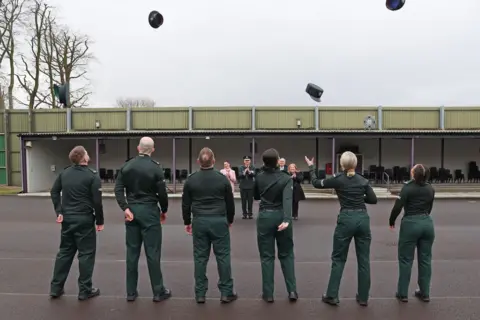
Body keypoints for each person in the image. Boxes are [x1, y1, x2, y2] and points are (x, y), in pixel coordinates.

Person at [305, 151, 377, 307]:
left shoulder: (338, 180)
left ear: (342, 164)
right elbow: (373, 199)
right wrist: (359, 196)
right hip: (362, 218)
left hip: (346, 218)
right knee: (363, 259)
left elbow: (317, 183)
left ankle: (332, 294)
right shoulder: (363, 180)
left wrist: (311, 167)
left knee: (338, 258)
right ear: (356, 164)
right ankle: (363, 297)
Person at [114, 137, 171, 303]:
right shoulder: (156, 168)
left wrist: (125, 208)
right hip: (150, 211)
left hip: (132, 211)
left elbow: (118, 190)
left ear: (138, 148)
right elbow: (162, 193)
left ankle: (131, 292)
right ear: (152, 149)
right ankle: (158, 291)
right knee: (152, 252)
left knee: (132, 253)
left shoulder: (126, 166)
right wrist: (164, 210)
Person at [182, 148, 238, 304]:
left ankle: (200, 293)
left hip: (199, 220)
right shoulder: (222, 179)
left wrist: (187, 222)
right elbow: (230, 203)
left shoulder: (191, 180)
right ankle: (226, 292)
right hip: (219, 220)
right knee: (223, 256)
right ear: (214, 161)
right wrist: (230, 219)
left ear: (198, 162)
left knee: (200, 258)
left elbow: (186, 204)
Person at [49, 146, 104, 301]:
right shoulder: (92, 176)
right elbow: (97, 202)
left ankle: (56, 288)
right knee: (86, 254)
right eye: (86, 153)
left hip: (67, 219)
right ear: (84, 158)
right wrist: (100, 221)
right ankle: (85, 289)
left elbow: (54, 192)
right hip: (84, 220)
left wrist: (59, 211)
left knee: (65, 253)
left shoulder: (64, 173)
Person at [254, 148, 298, 303]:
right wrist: (287, 219)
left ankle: (268, 293)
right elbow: (287, 200)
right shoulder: (286, 178)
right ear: (278, 161)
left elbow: (255, 196)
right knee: (286, 254)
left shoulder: (259, 177)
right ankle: (292, 290)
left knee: (267, 256)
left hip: (265, 216)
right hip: (281, 214)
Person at [389, 164, 435, 303]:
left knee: (405, 260)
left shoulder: (408, 188)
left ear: (414, 174)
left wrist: (391, 220)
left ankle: (403, 293)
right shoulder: (430, 189)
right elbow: (430, 207)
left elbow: (398, 206)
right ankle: (425, 292)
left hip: (410, 223)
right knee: (425, 260)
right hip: (427, 222)